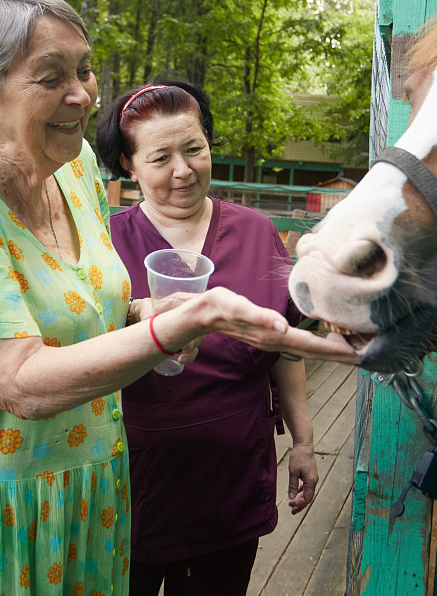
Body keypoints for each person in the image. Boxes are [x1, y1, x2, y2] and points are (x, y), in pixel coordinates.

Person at [0, 0, 358, 596]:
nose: (82, 93)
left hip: (88, 494)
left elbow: (100, 300)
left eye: (86, 70)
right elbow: (17, 383)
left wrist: (148, 306)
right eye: (51, 75)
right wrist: (182, 323)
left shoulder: (78, 165)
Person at [96, 80, 319, 596]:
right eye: (160, 157)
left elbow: (284, 345)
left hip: (231, 475)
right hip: (134, 479)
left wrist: (305, 443)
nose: (183, 170)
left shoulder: (258, 232)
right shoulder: (104, 244)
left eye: (194, 148)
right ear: (129, 166)